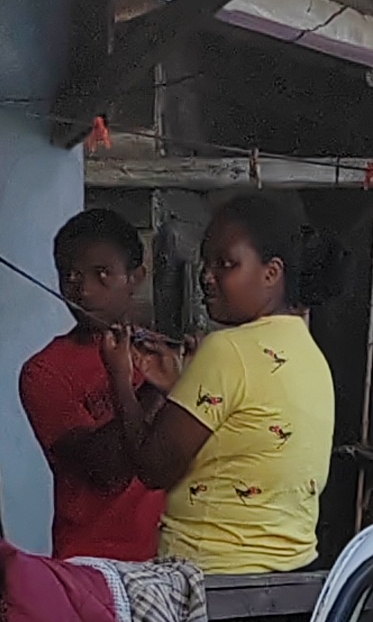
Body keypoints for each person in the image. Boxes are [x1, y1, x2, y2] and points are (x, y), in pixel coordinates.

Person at [107, 191, 340, 580]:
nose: (206, 277)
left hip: (212, 580)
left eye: (225, 264)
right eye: (206, 263)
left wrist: (119, 380)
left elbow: (153, 467)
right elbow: (242, 436)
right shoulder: (310, 355)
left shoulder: (227, 350)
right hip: (285, 581)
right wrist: (178, 387)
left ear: (271, 273)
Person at [17, 208, 183, 562]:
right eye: (71, 276)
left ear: (135, 277)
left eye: (102, 274)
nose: (84, 291)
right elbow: (105, 472)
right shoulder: (44, 371)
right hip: (89, 564)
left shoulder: (163, 355)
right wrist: (154, 389)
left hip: (168, 560)